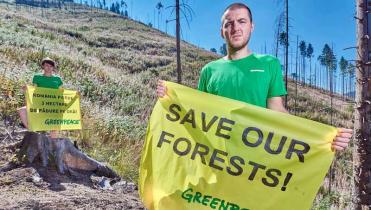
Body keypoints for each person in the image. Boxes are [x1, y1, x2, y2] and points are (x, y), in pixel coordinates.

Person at [157, 3, 352, 151]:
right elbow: (198, 115)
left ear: (252, 26)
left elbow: (277, 110)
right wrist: (170, 98)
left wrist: (324, 137)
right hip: (216, 156)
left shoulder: (269, 64)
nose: (235, 27)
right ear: (222, 31)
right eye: (229, 23)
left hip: (255, 158)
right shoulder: (209, 70)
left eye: (242, 21)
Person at [17, 57, 63, 138]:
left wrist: (75, 95)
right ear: (43, 66)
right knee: (22, 111)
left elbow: (61, 92)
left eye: (51, 66)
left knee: (54, 127)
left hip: (53, 106)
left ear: (53, 67)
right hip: (39, 105)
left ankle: (53, 145)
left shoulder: (57, 79)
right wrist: (26, 89)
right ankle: (33, 132)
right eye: (46, 65)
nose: (48, 68)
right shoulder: (37, 77)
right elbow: (33, 89)